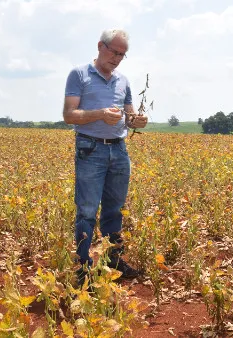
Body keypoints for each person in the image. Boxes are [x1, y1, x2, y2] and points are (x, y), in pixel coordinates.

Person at [63, 29, 148, 285]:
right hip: (90, 148)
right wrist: (99, 113)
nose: (118, 58)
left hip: (118, 149)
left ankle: (112, 260)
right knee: (87, 211)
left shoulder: (123, 80)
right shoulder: (79, 74)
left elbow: (129, 114)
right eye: (114, 52)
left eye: (123, 55)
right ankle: (83, 266)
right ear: (101, 46)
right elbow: (69, 115)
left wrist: (137, 120)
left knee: (114, 209)